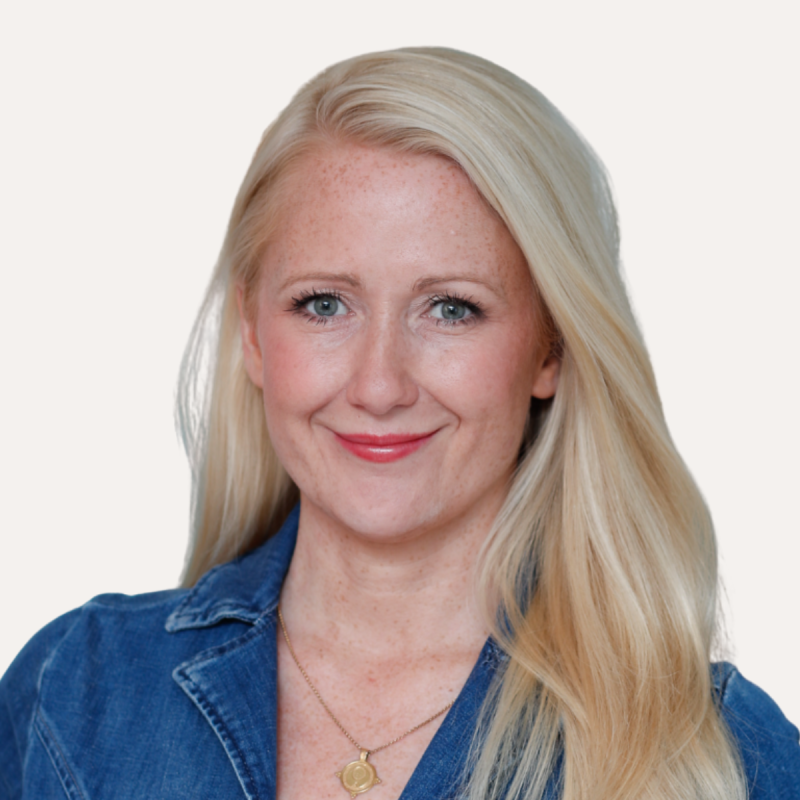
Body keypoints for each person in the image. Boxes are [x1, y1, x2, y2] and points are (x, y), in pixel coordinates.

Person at [1, 47, 798, 800]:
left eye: (451, 309)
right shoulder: (75, 695)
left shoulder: (716, 754)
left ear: (551, 347)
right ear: (252, 332)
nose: (379, 386)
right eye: (323, 304)